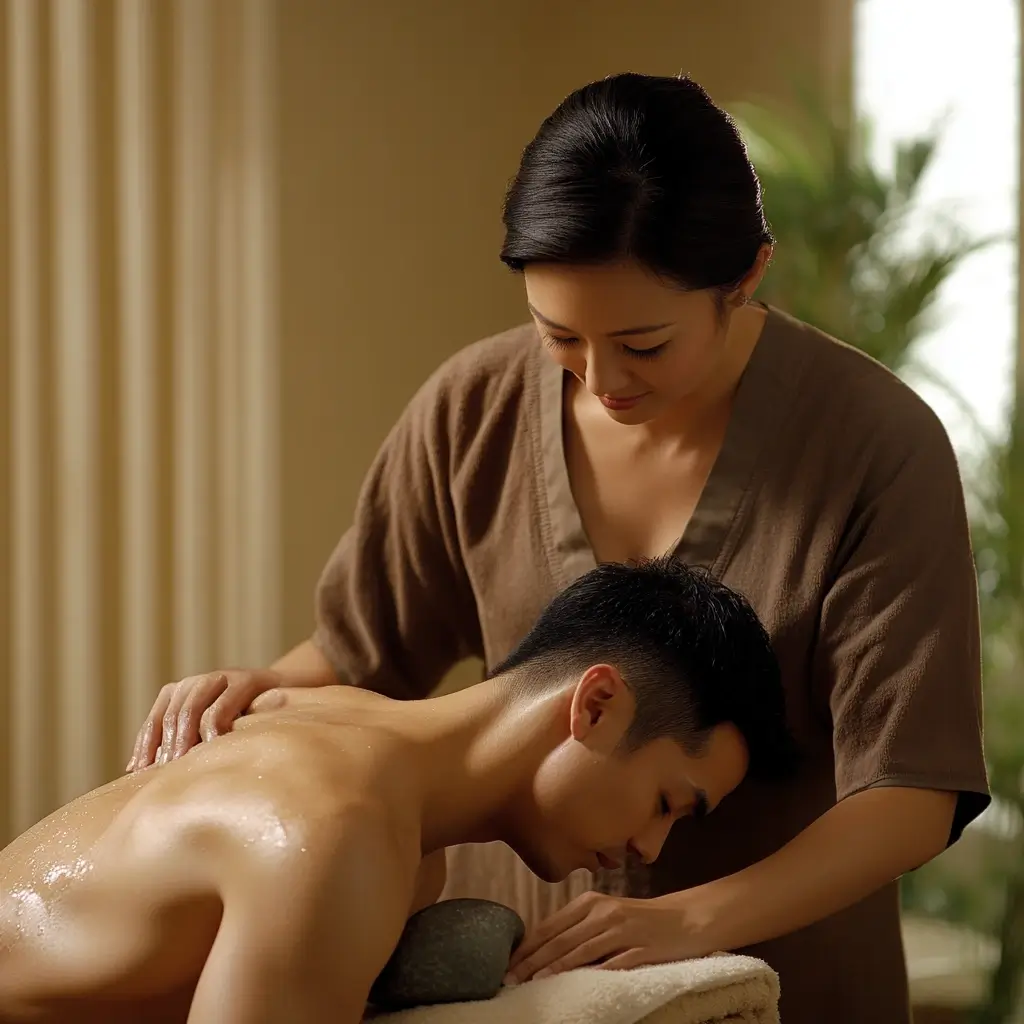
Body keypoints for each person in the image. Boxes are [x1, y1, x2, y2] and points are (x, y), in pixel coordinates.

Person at [126, 73, 990, 1024]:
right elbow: (358, 657)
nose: (602, 379)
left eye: (645, 344)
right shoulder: (473, 409)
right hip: (528, 987)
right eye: (559, 337)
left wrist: (695, 921)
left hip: (781, 982)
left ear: (746, 277)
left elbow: (912, 788)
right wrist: (248, 693)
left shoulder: (873, 446)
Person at [0, 559, 793, 1024]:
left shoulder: (358, 782)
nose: (647, 852)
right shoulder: (339, 833)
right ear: (595, 704)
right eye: (667, 803)